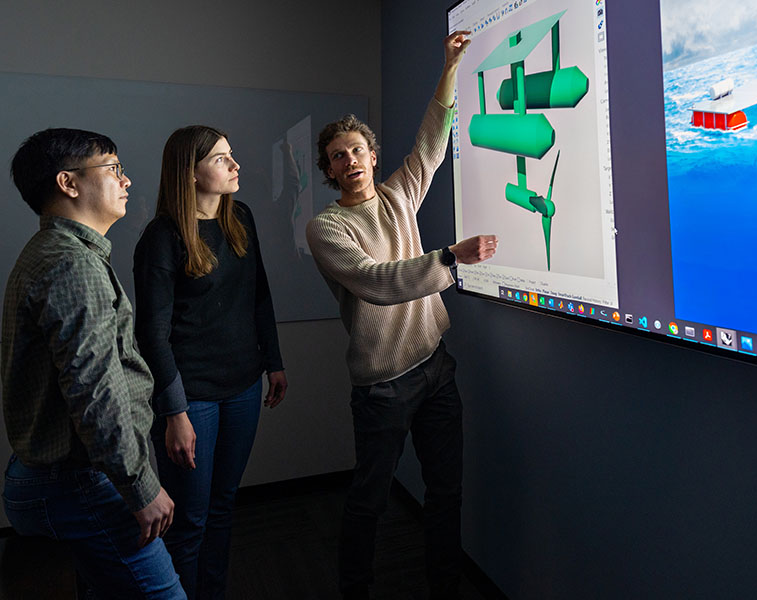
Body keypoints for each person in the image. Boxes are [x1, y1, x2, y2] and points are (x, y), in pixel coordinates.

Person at [306, 32, 497, 600]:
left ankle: (444, 586)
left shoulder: (396, 197)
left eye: (356, 150)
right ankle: (356, 590)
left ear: (371, 157)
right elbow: (375, 283)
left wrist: (450, 66)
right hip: (383, 386)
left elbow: (432, 144)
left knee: (446, 492)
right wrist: (449, 258)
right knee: (369, 500)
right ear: (330, 171)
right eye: (338, 156)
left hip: (436, 367)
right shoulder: (326, 228)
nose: (350, 160)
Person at [1, 128, 186, 599]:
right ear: (68, 183)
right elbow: (95, 391)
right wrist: (140, 485)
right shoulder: (71, 264)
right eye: (113, 169)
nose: (126, 181)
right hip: (79, 481)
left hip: (63, 474)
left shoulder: (61, 253)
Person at [133, 126, 288, 600]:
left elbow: (259, 294)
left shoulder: (241, 216)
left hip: (242, 385)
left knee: (222, 509)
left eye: (231, 155)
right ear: (190, 172)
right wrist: (175, 413)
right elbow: (152, 335)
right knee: (190, 521)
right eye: (222, 158)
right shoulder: (161, 238)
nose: (235, 165)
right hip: (191, 396)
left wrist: (274, 361)